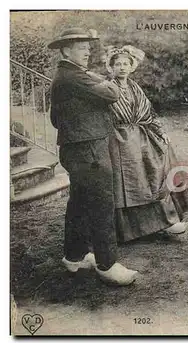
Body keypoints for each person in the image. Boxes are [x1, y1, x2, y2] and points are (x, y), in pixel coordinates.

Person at [48, 28, 138, 285]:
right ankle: (107, 265)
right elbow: (112, 93)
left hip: (79, 148)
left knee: (78, 203)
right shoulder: (73, 76)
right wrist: (106, 85)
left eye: (88, 47)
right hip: (88, 150)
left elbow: (56, 119)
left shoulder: (70, 75)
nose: (87, 51)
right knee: (101, 204)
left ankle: (74, 257)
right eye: (81, 47)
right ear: (65, 50)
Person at [105, 45, 188, 243]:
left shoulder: (136, 88)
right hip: (119, 142)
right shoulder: (107, 88)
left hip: (142, 139)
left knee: (153, 179)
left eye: (126, 64)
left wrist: (161, 133)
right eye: (117, 64)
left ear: (132, 66)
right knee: (128, 186)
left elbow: (149, 114)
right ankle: (128, 232)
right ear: (111, 67)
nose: (122, 68)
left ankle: (163, 222)